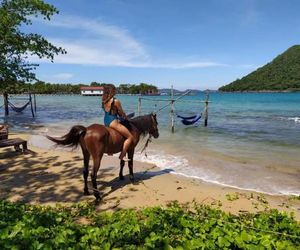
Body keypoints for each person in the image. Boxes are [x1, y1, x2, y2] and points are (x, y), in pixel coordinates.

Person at [102, 84, 134, 161]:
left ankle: (110, 151)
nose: (115, 91)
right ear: (111, 91)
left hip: (106, 121)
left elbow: (111, 111)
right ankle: (122, 155)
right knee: (130, 137)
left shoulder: (103, 100)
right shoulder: (116, 101)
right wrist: (126, 118)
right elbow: (122, 113)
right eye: (114, 90)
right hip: (113, 121)